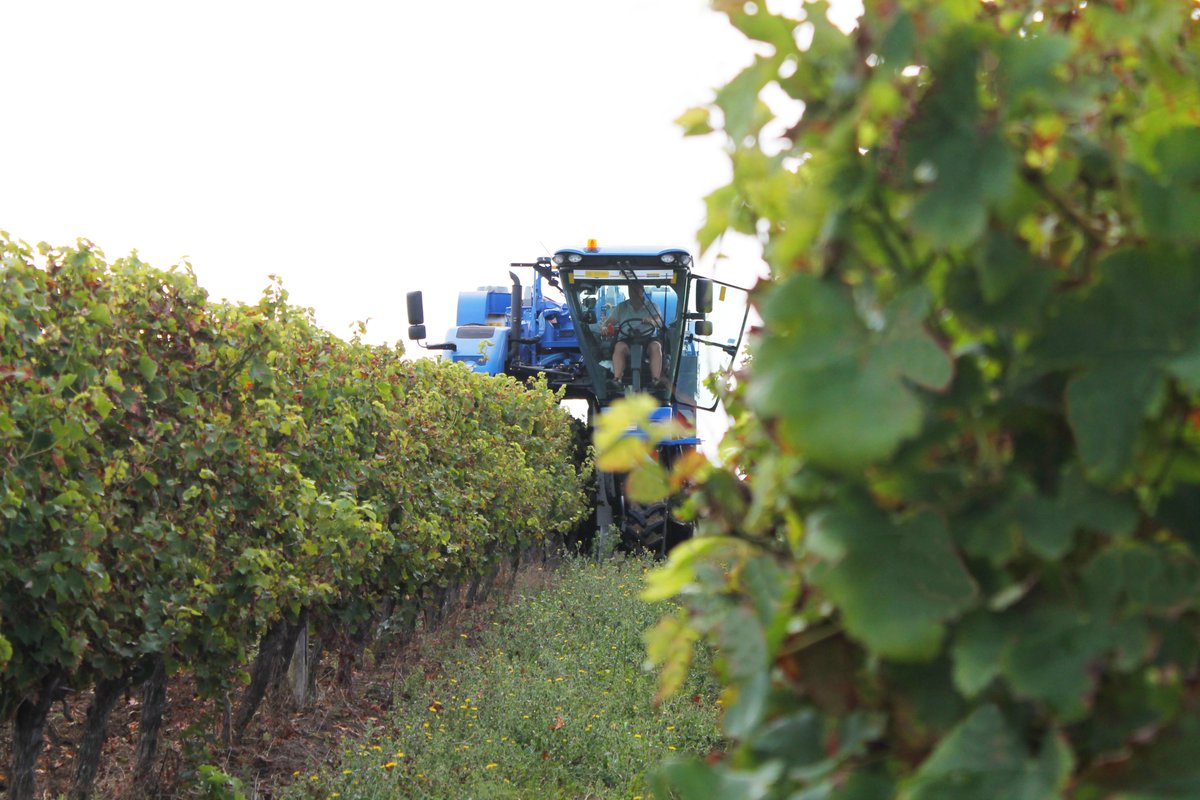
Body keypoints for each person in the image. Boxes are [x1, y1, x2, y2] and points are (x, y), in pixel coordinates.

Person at [602, 283, 666, 389]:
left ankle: (656, 380)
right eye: (631, 289)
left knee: (656, 346)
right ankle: (617, 379)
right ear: (628, 291)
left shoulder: (653, 306)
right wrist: (604, 327)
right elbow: (608, 323)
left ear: (642, 290)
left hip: (648, 338)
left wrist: (651, 320)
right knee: (619, 347)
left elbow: (659, 322)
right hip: (627, 338)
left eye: (637, 289)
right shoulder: (621, 307)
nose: (634, 292)